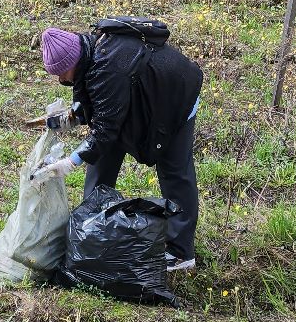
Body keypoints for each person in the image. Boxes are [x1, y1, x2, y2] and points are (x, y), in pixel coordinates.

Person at [32, 19, 204, 271]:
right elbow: (94, 100)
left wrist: (71, 161)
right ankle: (91, 231)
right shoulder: (87, 51)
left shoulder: (108, 66)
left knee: (175, 171)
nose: (60, 79)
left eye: (60, 73)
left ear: (71, 62)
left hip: (174, 99)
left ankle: (181, 252)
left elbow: (106, 127)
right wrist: (72, 117)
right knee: (101, 159)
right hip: (139, 100)